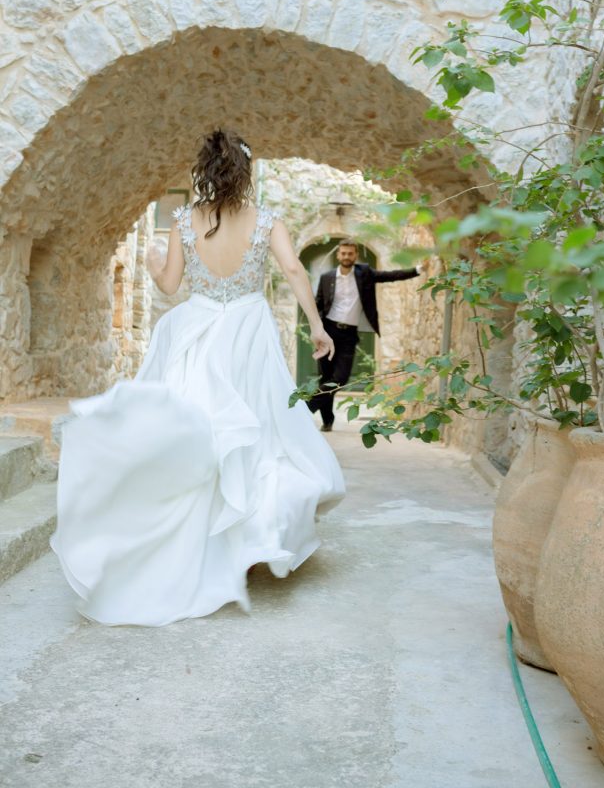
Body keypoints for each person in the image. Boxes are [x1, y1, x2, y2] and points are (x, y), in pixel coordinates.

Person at [50, 129, 345, 627]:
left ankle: (194, 540)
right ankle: (246, 542)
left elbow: (169, 285)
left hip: (197, 330)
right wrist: (316, 327)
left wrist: (151, 262)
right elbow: (295, 270)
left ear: (205, 170)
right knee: (257, 433)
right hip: (248, 332)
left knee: (199, 433)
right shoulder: (268, 220)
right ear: (247, 172)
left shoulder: (184, 220)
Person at [307, 240, 421, 431]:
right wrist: (317, 331)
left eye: (350, 253)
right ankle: (328, 421)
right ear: (338, 255)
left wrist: (417, 270)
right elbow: (318, 304)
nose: (346, 257)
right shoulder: (327, 277)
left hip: (349, 334)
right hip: (328, 331)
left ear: (356, 255)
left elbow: (390, 276)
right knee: (325, 378)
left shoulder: (364, 273)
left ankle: (305, 408)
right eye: (343, 253)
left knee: (340, 378)